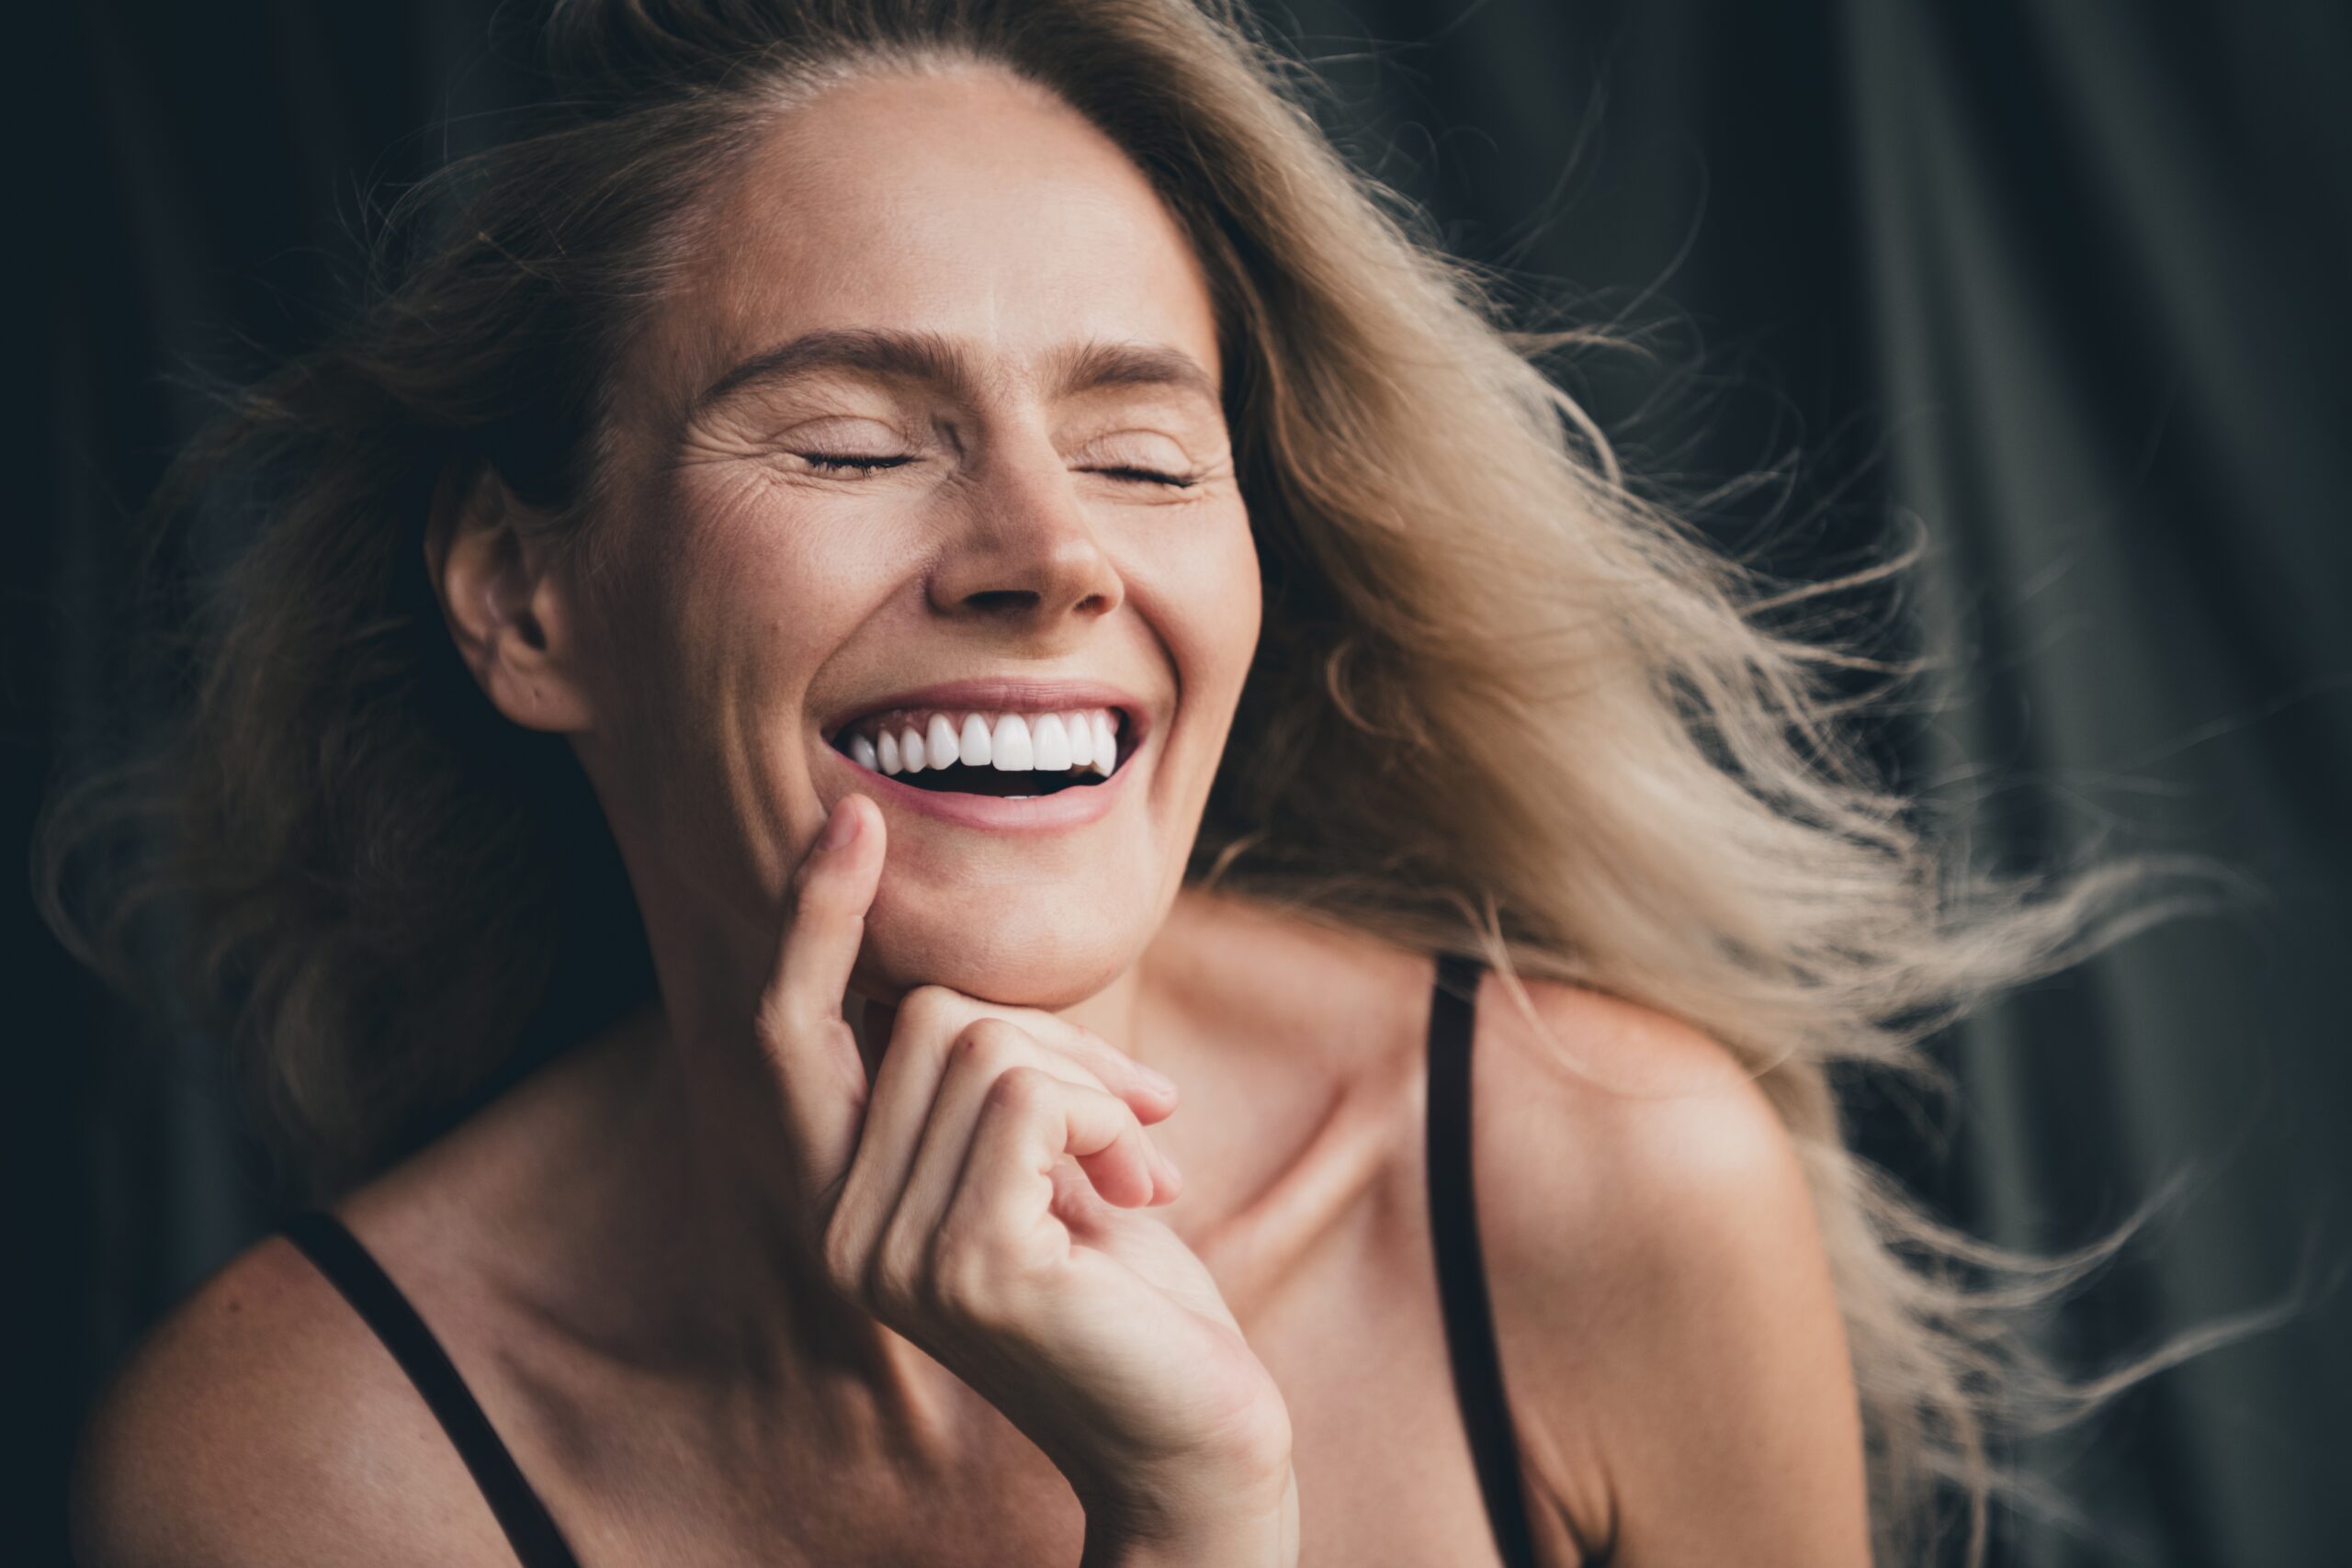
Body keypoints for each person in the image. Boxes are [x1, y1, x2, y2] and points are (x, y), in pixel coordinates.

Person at [49, 2, 2154, 1563]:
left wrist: (1192, 1494)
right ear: (529, 601)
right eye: (858, 441)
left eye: (1146, 455)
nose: (1050, 550)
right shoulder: (300, 1461)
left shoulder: (1599, 1193)